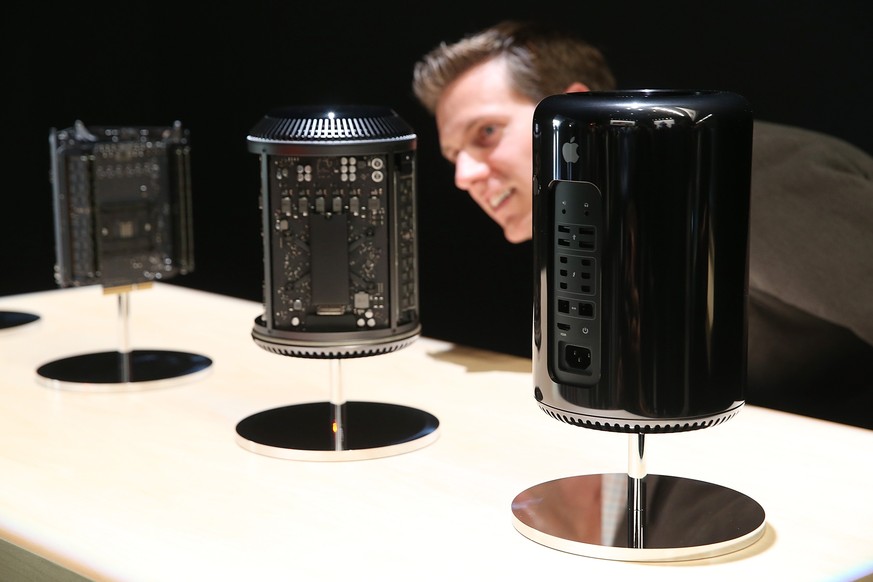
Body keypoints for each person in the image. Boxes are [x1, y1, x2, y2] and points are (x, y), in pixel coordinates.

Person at [412, 20, 873, 428]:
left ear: (571, 110)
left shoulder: (746, 176)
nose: (464, 176)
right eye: (455, 156)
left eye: (486, 133)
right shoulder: (605, 216)